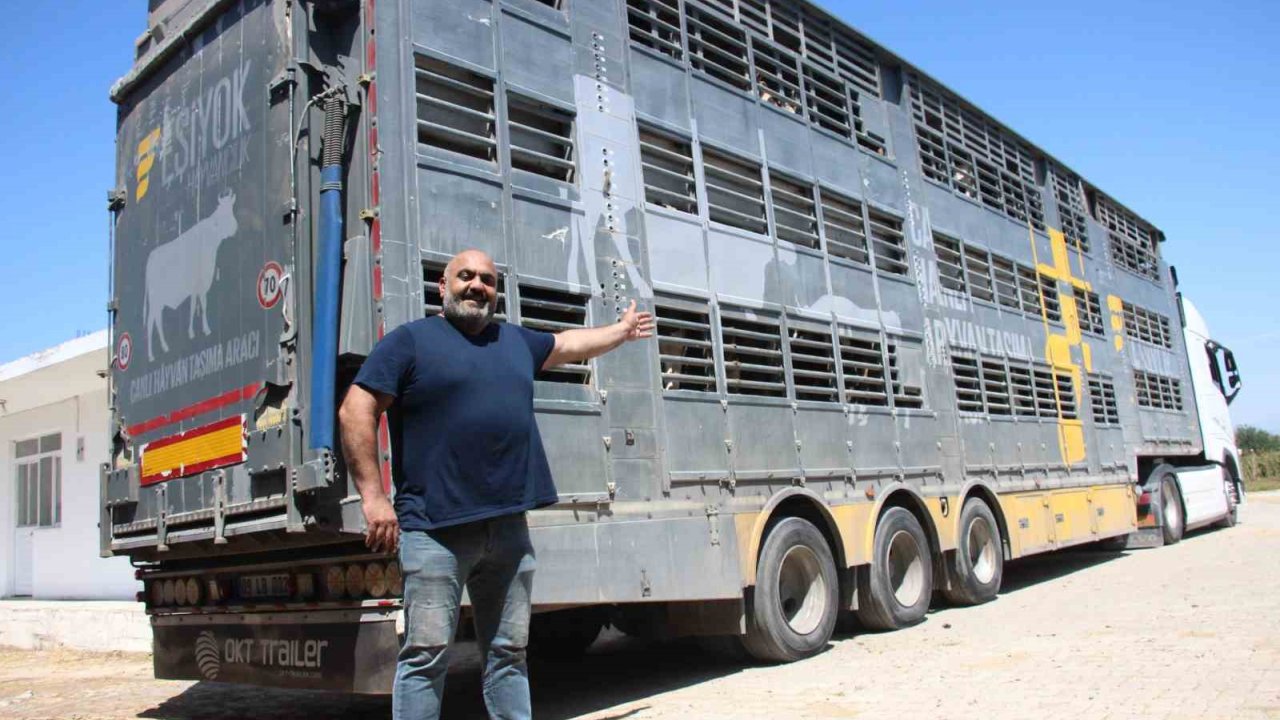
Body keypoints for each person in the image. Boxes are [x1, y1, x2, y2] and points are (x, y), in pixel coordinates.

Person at [338, 249, 653, 720]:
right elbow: (355, 409)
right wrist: (373, 497)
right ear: (442, 287)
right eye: (465, 276)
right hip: (434, 533)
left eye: (487, 279)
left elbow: (569, 344)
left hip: (508, 530)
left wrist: (621, 333)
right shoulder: (410, 343)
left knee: (509, 655)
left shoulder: (514, 342)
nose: (476, 285)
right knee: (425, 656)